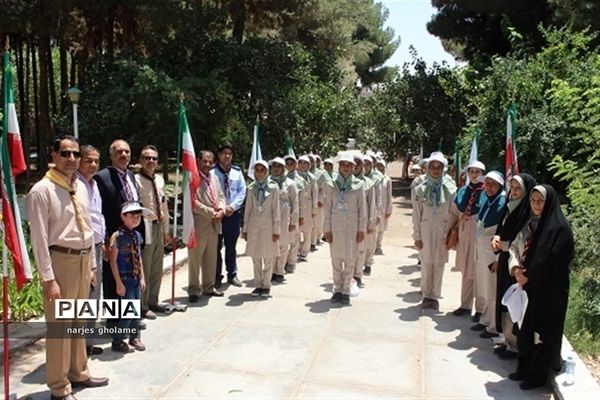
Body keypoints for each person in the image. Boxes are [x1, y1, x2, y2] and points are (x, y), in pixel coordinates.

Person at [29, 135, 108, 400]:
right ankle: (59, 386)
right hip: (61, 261)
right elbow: (39, 240)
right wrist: (49, 279)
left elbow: (88, 228)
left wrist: (93, 265)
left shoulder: (80, 187)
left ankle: (79, 372)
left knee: (78, 322)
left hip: (84, 259)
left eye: (75, 154)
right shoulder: (43, 190)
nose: (71, 159)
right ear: (53, 155)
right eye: (65, 153)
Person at [508, 185, 574, 390]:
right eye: (533, 200)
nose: (536, 205)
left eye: (540, 201)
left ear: (550, 202)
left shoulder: (559, 229)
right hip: (530, 287)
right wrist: (518, 270)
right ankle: (524, 368)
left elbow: (554, 261)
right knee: (526, 329)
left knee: (542, 333)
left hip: (549, 292)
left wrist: (530, 277)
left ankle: (537, 376)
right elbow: (520, 250)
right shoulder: (532, 224)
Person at [491, 173, 536, 359]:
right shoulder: (510, 207)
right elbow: (501, 230)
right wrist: (496, 240)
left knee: (514, 303)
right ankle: (506, 339)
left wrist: (502, 245)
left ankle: (514, 345)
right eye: (513, 187)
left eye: (519, 189)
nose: (515, 192)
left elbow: (522, 243)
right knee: (504, 300)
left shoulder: (526, 213)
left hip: (517, 265)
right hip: (504, 261)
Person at [95, 139, 142, 302]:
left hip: (132, 237)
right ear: (111, 155)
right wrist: (106, 239)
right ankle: (114, 323)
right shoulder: (102, 177)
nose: (123, 154)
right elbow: (100, 212)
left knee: (131, 279)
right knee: (113, 283)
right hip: (115, 240)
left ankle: (130, 320)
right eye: (119, 152)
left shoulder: (130, 175)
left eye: (126, 151)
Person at [412, 152, 457, 309]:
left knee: (439, 264)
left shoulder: (451, 188)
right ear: (428, 168)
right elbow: (416, 214)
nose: (436, 170)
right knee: (426, 263)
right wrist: (416, 236)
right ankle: (426, 295)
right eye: (433, 167)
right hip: (425, 230)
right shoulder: (420, 188)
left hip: (443, 230)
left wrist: (450, 234)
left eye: (439, 167)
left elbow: (453, 213)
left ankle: (435, 296)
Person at [323, 154, 367, 306]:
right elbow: (327, 208)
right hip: (335, 227)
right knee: (336, 260)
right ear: (339, 166)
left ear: (353, 167)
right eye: (343, 165)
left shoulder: (359, 185)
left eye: (349, 165)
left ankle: (346, 291)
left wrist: (362, 229)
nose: (346, 168)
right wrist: (326, 230)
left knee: (349, 261)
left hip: (352, 228)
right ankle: (337, 290)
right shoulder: (331, 184)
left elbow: (362, 210)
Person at [134, 145, 171, 319]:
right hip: (145, 226)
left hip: (158, 225)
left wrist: (166, 230)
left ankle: (154, 301)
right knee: (145, 266)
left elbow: (163, 204)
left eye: (154, 159)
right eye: (147, 158)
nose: (151, 161)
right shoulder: (135, 180)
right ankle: (142, 306)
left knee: (157, 266)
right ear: (141, 160)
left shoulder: (160, 180)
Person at [76, 145, 105, 357]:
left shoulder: (94, 184)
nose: (93, 164)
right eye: (88, 160)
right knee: (81, 299)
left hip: (97, 246)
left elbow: (97, 216)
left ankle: (88, 343)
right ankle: (77, 349)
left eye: (96, 161)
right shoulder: (75, 184)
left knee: (94, 296)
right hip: (81, 250)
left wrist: (102, 241)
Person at [447, 161, 486, 319]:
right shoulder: (463, 190)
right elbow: (454, 212)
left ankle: (481, 308)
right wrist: (448, 232)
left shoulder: (487, 191)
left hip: (479, 232)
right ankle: (465, 305)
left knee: (478, 272)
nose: (475, 174)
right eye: (472, 171)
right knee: (466, 271)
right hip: (464, 232)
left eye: (478, 171)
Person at [470, 171, 506, 338]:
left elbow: (501, 231)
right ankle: (484, 319)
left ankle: (492, 326)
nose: (489, 187)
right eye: (487, 183)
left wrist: (498, 258)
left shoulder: (502, 203)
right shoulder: (487, 199)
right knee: (484, 287)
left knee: (492, 289)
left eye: (493, 184)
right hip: (481, 250)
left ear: (500, 186)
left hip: (492, 254)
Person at [108, 201, 147, 353]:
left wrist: (142, 277)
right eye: (132, 215)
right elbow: (113, 261)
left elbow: (139, 257)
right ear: (123, 216)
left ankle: (135, 336)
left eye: (138, 216)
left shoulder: (137, 235)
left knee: (136, 310)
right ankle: (117, 341)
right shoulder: (117, 236)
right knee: (128, 311)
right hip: (124, 279)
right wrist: (118, 282)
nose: (136, 219)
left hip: (136, 278)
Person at [188, 150, 226, 301]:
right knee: (195, 260)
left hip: (215, 224)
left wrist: (222, 210)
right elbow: (192, 202)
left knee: (211, 258)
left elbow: (221, 196)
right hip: (199, 225)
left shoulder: (214, 178)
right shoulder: (192, 178)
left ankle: (209, 287)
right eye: (205, 161)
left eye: (210, 162)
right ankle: (193, 290)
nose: (208, 164)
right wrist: (212, 212)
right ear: (198, 160)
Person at [243, 160, 281, 297]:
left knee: (268, 256)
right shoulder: (251, 188)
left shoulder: (274, 187)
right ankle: (258, 284)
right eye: (257, 170)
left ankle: (266, 285)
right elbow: (247, 210)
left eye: (262, 170)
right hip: (254, 226)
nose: (259, 173)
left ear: (267, 172)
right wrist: (245, 229)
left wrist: (277, 230)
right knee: (256, 256)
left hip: (268, 226)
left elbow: (276, 210)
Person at [212, 143, 246, 288]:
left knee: (231, 246)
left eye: (230, 154)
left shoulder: (237, 172)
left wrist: (233, 206)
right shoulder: (212, 173)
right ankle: (216, 276)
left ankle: (232, 274)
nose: (227, 156)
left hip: (233, 214)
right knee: (216, 246)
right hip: (218, 214)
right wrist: (222, 208)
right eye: (224, 153)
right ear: (219, 155)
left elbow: (242, 191)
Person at [269, 157, 298, 283]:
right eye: (274, 166)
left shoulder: (290, 183)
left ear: (283, 168)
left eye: (279, 166)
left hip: (285, 217)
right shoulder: (268, 182)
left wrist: (293, 221)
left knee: (283, 245)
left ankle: (280, 271)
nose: (276, 169)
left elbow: (295, 203)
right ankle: (271, 271)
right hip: (270, 218)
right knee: (272, 244)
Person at [352, 155, 376, 287]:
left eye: (358, 165)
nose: (355, 167)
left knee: (361, 250)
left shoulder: (368, 184)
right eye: (353, 164)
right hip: (347, 222)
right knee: (348, 251)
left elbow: (371, 204)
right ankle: (348, 276)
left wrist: (370, 223)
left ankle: (357, 275)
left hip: (363, 221)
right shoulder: (343, 183)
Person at [284, 155, 308, 272]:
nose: (289, 165)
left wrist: (301, 215)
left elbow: (302, 201)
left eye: (291, 163)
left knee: (294, 238)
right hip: (283, 213)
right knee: (283, 238)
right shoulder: (281, 178)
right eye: (287, 163)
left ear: (295, 164)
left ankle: (292, 261)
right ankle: (282, 261)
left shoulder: (300, 181)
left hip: (296, 212)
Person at [363, 155, 383, 274]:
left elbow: (379, 198)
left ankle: (368, 263)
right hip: (359, 213)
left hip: (372, 211)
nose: (365, 167)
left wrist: (378, 214)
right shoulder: (357, 178)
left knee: (370, 239)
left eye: (367, 164)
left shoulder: (376, 179)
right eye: (363, 164)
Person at [297, 155, 318, 262]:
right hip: (297, 205)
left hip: (308, 205)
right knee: (296, 230)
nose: (303, 165)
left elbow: (315, 193)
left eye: (305, 163)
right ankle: (296, 251)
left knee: (307, 230)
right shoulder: (294, 177)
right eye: (301, 163)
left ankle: (304, 252)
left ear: (309, 165)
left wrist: (314, 209)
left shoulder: (312, 178)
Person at [375, 159, 393, 255]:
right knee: (374, 227)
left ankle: (378, 246)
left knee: (381, 228)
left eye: (381, 165)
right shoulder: (374, 178)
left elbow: (389, 195)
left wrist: (389, 209)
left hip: (384, 207)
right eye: (377, 165)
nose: (379, 167)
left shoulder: (387, 179)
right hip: (375, 206)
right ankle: (372, 246)